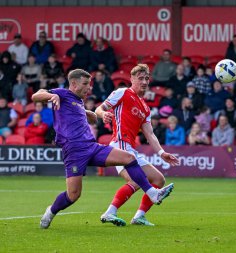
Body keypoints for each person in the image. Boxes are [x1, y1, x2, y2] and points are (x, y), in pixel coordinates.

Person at [33, 69, 175, 229]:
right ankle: (51, 212)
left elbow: (76, 111)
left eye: (90, 84)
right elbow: (36, 95)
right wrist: (51, 96)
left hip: (92, 147)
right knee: (73, 195)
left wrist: (88, 113)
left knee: (129, 158)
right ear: (73, 84)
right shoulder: (63, 94)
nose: (89, 88)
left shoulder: (79, 102)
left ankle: (152, 193)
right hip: (74, 152)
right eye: (85, 84)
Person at [95, 64, 179, 226]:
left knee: (158, 179)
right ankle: (110, 212)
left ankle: (139, 216)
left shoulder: (145, 108)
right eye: (140, 78)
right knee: (136, 180)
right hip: (119, 145)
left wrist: (162, 153)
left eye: (146, 78)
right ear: (131, 79)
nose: (144, 82)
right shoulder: (122, 93)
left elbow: (150, 134)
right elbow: (100, 108)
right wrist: (103, 114)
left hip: (129, 148)